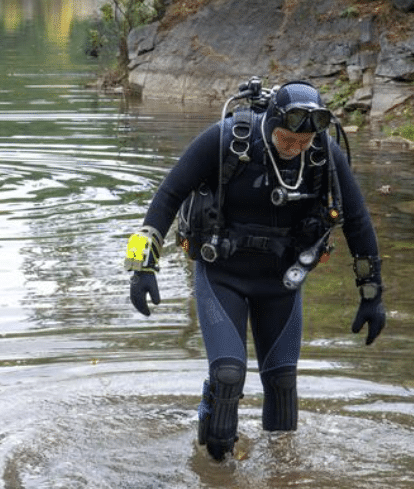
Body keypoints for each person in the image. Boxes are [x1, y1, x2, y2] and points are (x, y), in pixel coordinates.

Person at [124, 78, 386, 461]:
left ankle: (283, 476)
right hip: (222, 275)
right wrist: (142, 265)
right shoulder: (228, 139)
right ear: (272, 123)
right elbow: (167, 195)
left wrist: (372, 293)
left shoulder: (325, 155)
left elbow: (358, 223)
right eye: (288, 141)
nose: (296, 150)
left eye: (304, 143)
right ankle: (214, 474)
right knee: (228, 376)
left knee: (282, 381)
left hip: (281, 282)